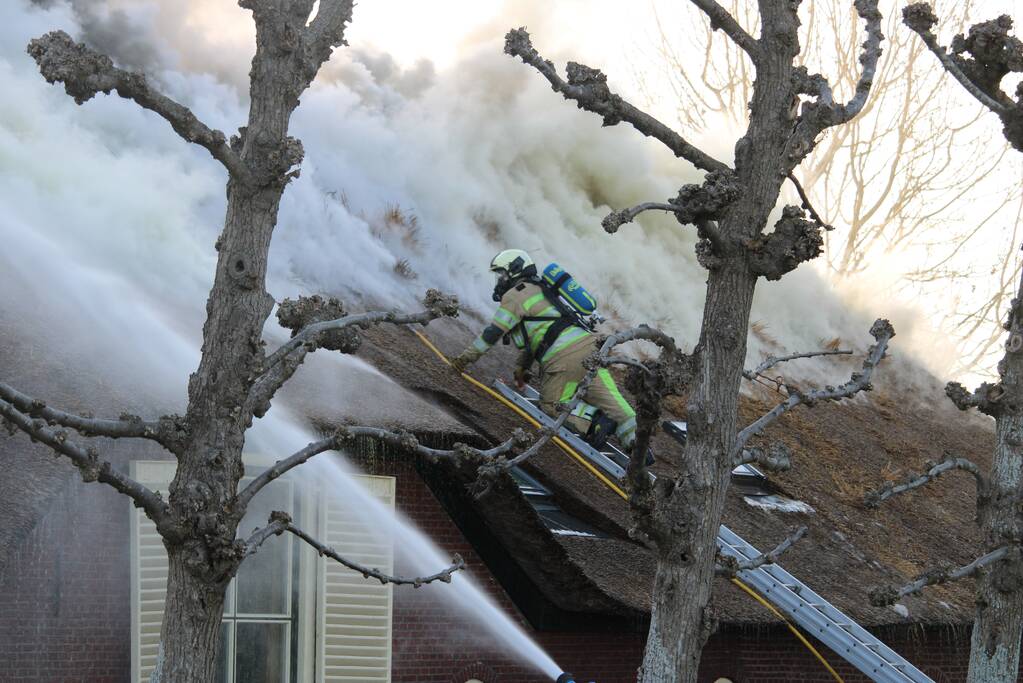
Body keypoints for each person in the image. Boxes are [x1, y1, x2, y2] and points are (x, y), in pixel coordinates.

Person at [450, 249, 639, 454]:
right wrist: (522, 368)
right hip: (591, 350)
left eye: (501, 274)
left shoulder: (515, 295)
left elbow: (492, 333)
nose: (499, 280)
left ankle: (595, 421)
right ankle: (639, 446)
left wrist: (463, 360)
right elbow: (541, 335)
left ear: (513, 270)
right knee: (616, 405)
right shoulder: (542, 289)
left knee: (551, 405)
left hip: (564, 359)